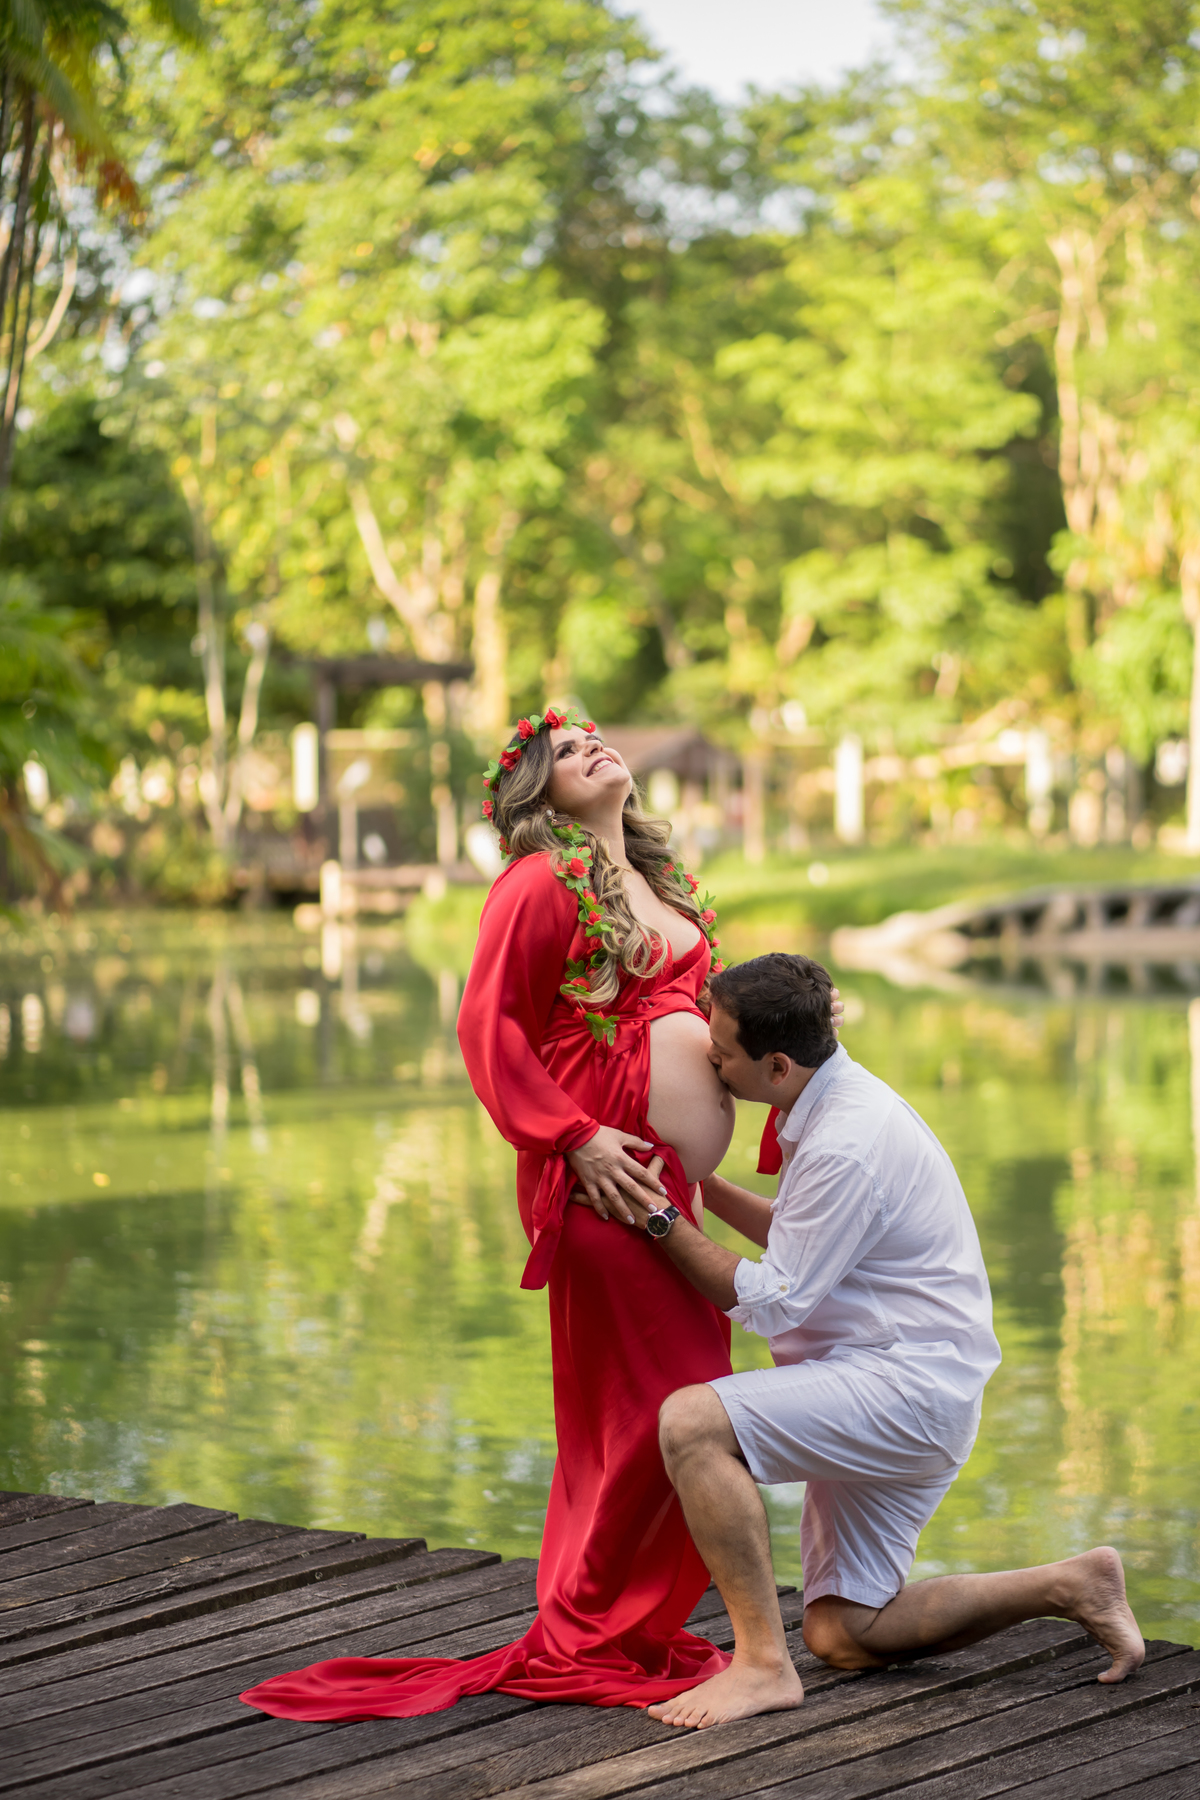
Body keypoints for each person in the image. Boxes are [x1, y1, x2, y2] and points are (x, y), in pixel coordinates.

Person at [242, 709, 840, 1723]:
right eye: (565, 750)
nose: (592, 747)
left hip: (673, 1206)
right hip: (612, 1194)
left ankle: (641, 1622)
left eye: (597, 737)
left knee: (685, 1409)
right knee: (632, 1418)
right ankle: (593, 1625)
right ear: (535, 791)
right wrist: (570, 1137)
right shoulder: (536, 884)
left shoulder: (661, 886)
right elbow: (489, 1024)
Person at [615, 952, 1145, 1730]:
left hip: (905, 1391)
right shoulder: (829, 1104)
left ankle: (761, 1665)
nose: (709, 1056)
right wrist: (696, 1188)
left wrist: (658, 1219)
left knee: (692, 1425)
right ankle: (1071, 1584)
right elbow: (812, 1245)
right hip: (898, 1379)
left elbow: (775, 1299)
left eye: (721, 1048)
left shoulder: (848, 1140)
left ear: (779, 1063)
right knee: (846, 1632)